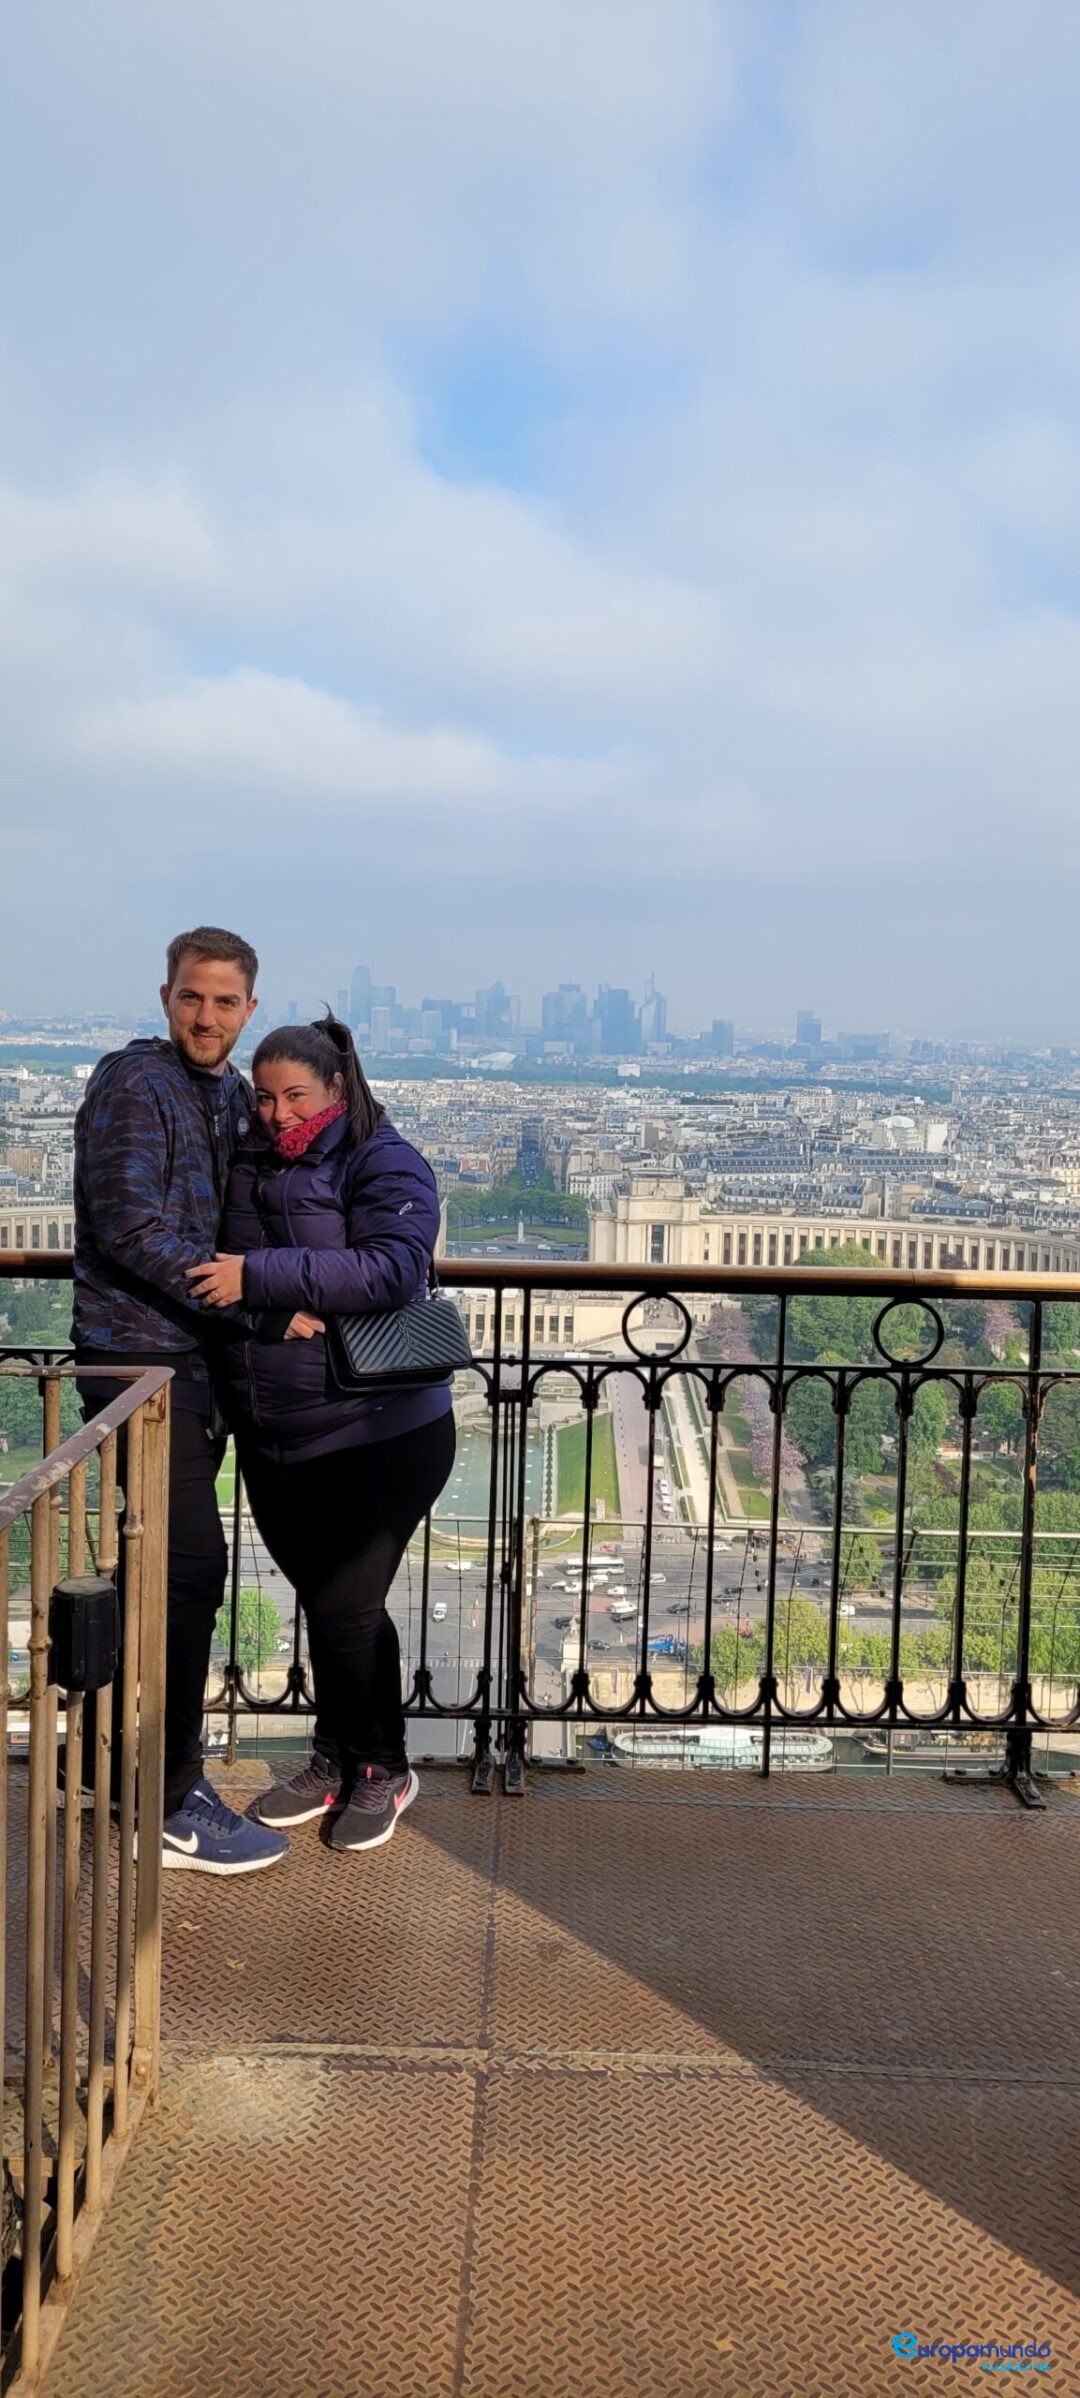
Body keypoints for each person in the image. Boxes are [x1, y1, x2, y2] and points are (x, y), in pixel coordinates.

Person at [187, 1015, 455, 1855]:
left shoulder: (383, 1156)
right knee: (334, 1608)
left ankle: (381, 1766)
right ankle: (338, 1757)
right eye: (262, 1097)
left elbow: (391, 1268)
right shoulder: (251, 1160)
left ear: (336, 1089)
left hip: (379, 1425)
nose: (273, 1112)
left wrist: (255, 1277)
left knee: (344, 1603)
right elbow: (210, 1272)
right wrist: (262, 1298)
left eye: (292, 1095)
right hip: (280, 1426)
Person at [72, 926, 288, 1875]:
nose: (207, 1016)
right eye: (193, 998)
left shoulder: (230, 1094)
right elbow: (124, 1223)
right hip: (139, 1367)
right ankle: (163, 1797)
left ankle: (130, 1763)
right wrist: (241, 1295)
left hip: (182, 1364)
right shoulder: (136, 1083)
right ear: (166, 998)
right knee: (188, 1573)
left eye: (225, 1002)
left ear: (249, 1008)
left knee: (169, 1572)